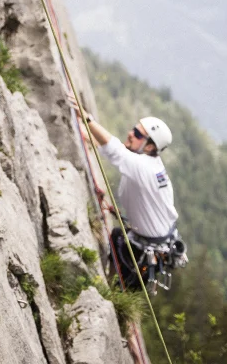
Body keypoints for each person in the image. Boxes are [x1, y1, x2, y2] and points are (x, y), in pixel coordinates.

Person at [68, 96, 183, 288]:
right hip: (148, 242)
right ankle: (113, 295)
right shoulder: (147, 162)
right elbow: (119, 151)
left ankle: (117, 303)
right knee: (116, 236)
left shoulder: (145, 168)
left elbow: (117, 152)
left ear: (149, 146)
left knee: (122, 288)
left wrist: (87, 119)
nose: (131, 133)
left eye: (138, 133)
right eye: (134, 128)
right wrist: (89, 137)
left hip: (143, 251)